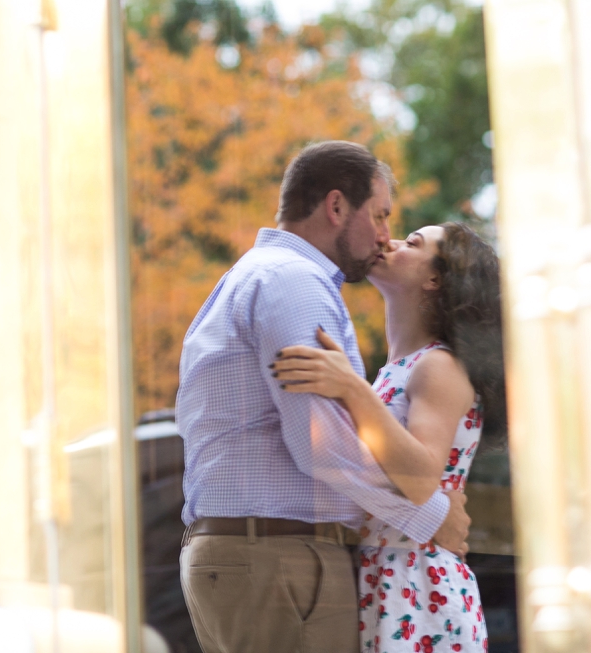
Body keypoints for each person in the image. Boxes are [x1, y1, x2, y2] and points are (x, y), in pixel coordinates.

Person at [175, 141, 471, 653]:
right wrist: (431, 515)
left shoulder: (253, 275)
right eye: (379, 216)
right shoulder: (295, 282)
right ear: (336, 207)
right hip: (278, 556)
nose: (385, 236)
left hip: (256, 554)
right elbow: (321, 443)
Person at [271, 222, 506, 652]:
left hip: (417, 581)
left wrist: (352, 388)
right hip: (387, 572)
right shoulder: (401, 367)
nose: (389, 242)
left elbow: (420, 476)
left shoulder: (438, 366)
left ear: (436, 278)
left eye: (411, 243)